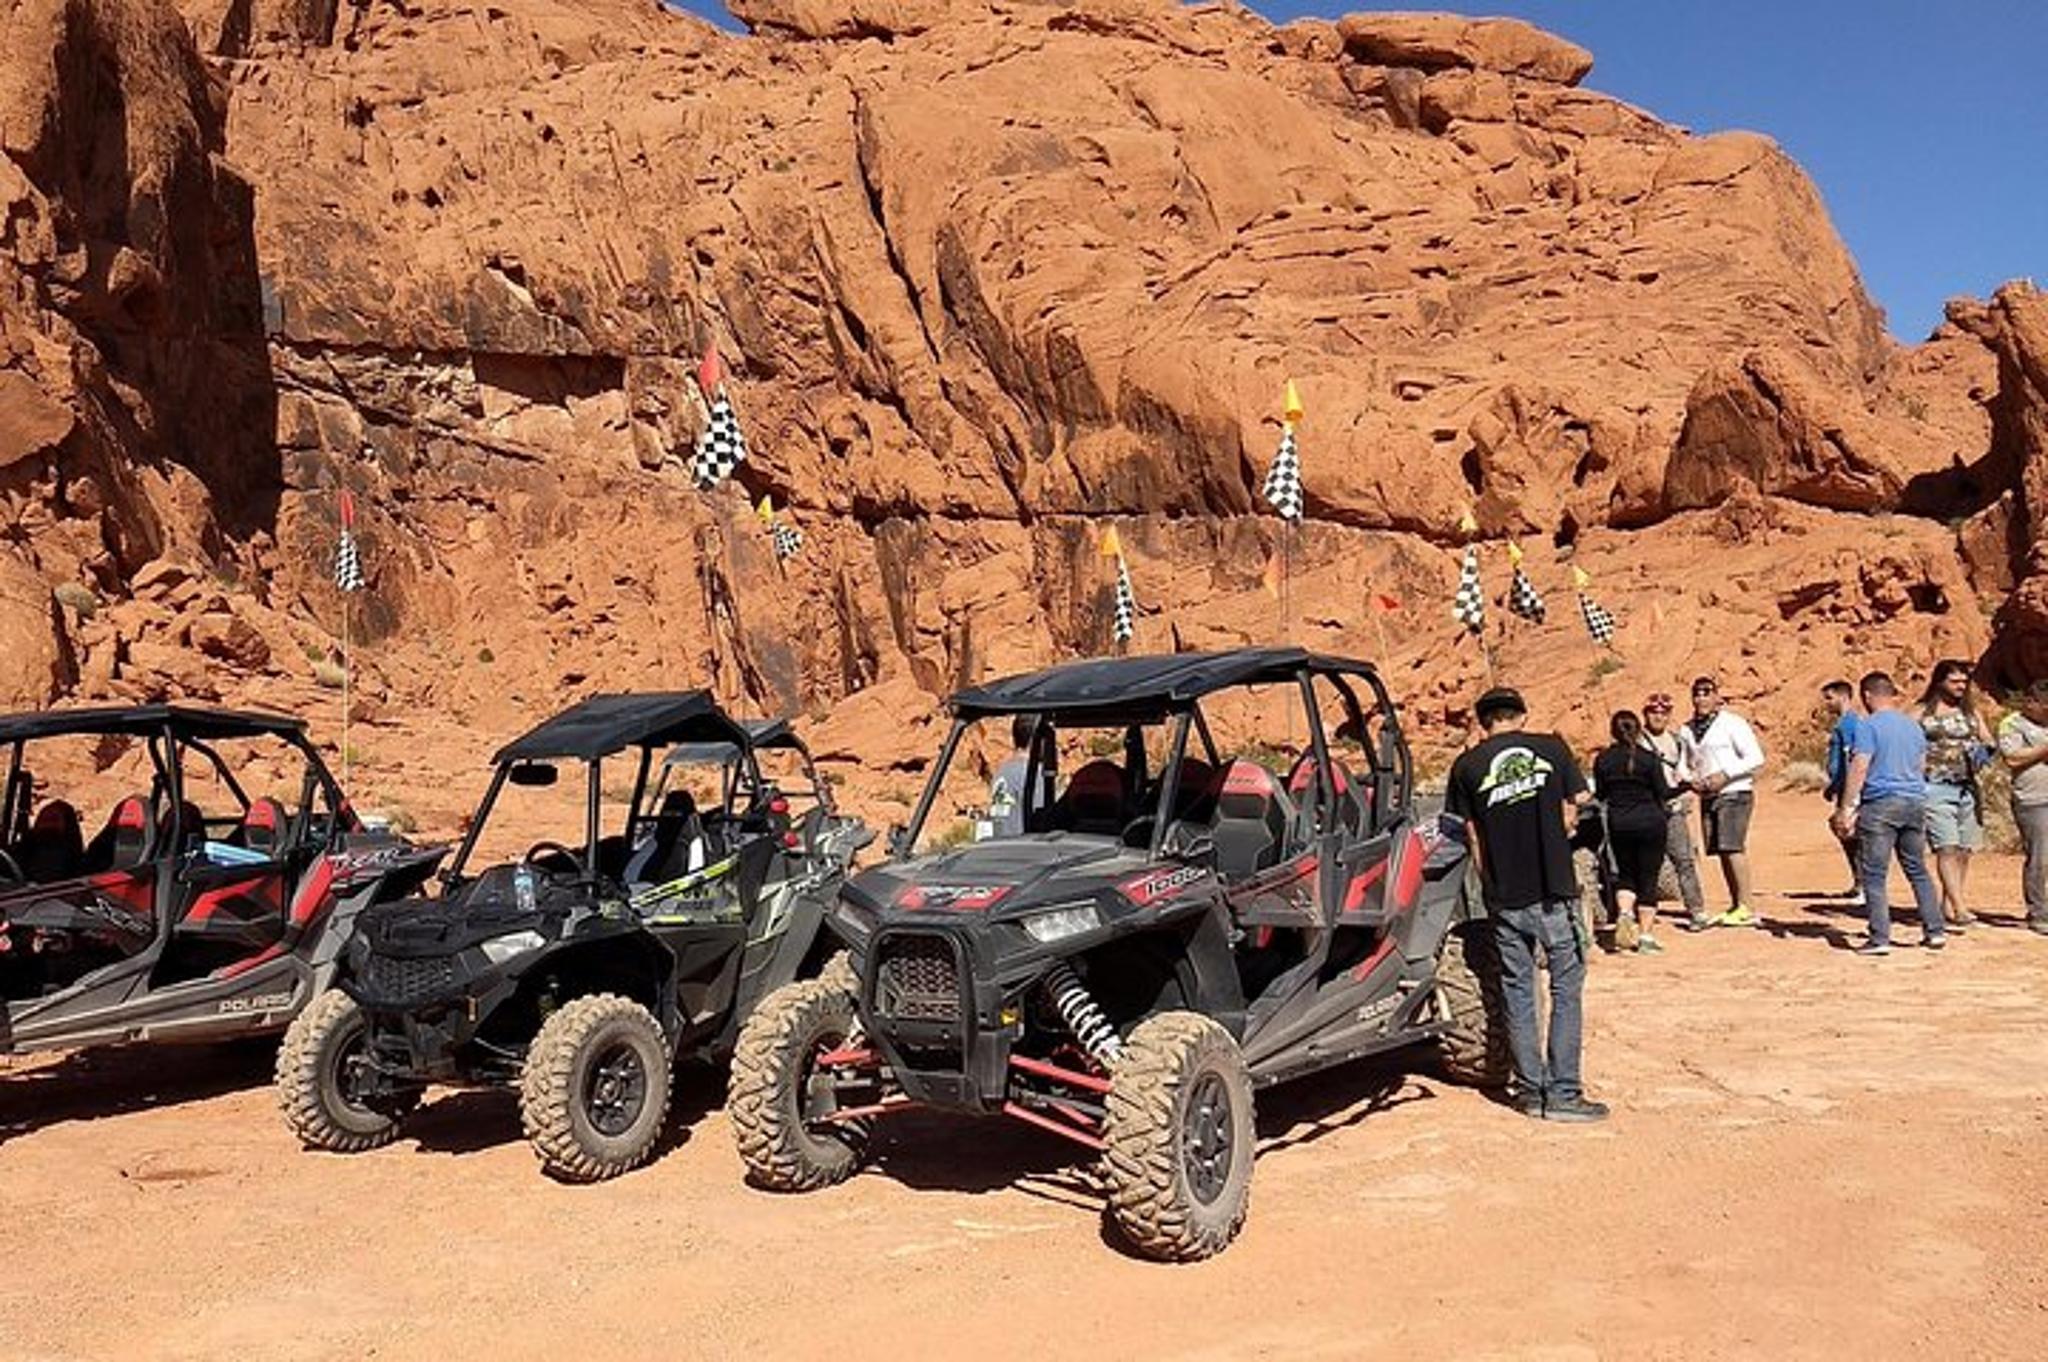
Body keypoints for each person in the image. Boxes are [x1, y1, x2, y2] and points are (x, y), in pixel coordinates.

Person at [1445, 686, 1606, 1122]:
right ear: (1521, 714)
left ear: (1483, 721)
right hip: (1552, 887)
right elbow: (1576, 807)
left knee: (1518, 990)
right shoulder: (1551, 749)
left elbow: (1471, 834)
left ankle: (1531, 1091)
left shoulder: (1467, 765)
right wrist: (1557, 827)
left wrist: (1488, 885)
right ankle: (1565, 1093)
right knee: (1566, 990)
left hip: (1503, 894)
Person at [1832, 671, 1945, 956]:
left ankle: (1880, 937)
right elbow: (1921, 765)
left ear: (1868, 696)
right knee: (1917, 868)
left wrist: (1847, 808)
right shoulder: (1912, 726)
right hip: (1914, 801)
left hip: (1881, 803)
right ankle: (1934, 931)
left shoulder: (1868, 726)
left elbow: (1860, 766)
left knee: (1874, 872)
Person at [1678, 676, 1766, 928]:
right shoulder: (1687, 729)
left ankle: (1748, 906)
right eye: (1697, 693)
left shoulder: (1732, 724)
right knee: (1720, 849)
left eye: (1707, 692)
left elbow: (1755, 757)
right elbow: (1685, 763)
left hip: (1735, 792)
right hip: (1708, 795)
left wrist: (1725, 774)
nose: (1702, 697)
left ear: (1717, 697)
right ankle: (1736, 904)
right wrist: (1690, 780)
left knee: (1733, 846)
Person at [1916, 659, 1992, 932]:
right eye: (1955, 681)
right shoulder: (1922, 712)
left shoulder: (1971, 712)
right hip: (1935, 787)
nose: (1961, 686)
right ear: (1939, 681)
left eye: (1964, 681)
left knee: (1963, 850)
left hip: (1968, 787)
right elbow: (1907, 742)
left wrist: (1984, 753)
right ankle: (1960, 908)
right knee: (1946, 847)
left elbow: (1988, 739)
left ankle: (1949, 904)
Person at [1593, 711, 1676, 954]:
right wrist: (1686, 785)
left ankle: (1625, 914)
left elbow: (1601, 794)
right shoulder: (1649, 759)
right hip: (1651, 822)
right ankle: (1646, 936)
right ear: (1639, 730)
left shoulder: (1604, 760)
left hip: (1620, 823)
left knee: (1626, 874)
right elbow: (1663, 792)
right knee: (1648, 878)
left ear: (1612, 731)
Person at [1641, 694, 1709, 930]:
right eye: (1653, 712)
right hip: (1646, 809)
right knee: (1644, 863)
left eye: (1664, 712)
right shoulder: (1636, 741)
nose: (1659, 716)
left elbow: (1688, 768)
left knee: (1684, 860)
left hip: (1672, 809)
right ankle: (1643, 915)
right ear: (1645, 714)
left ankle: (1696, 910)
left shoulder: (1677, 741)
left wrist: (1687, 789)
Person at [1997, 680, 2048, 937]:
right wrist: (2043, 750)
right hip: (2033, 799)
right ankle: (2038, 912)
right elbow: (2012, 758)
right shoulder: (2012, 723)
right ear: (2031, 702)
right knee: (2040, 857)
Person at [1820, 680, 1868, 905]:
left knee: (1850, 832)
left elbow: (1852, 759)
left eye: (1829, 698)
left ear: (1843, 696)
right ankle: (1859, 882)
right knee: (1845, 832)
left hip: (1851, 789)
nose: (1826, 703)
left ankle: (1864, 885)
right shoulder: (1844, 723)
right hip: (1842, 787)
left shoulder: (1850, 724)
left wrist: (1849, 794)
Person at [985, 715, 1047, 838]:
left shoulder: (1001, 772)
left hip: (999, 849)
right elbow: (1042, 822)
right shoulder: (1034, 774)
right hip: (1025, 851)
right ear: (1036, 740)